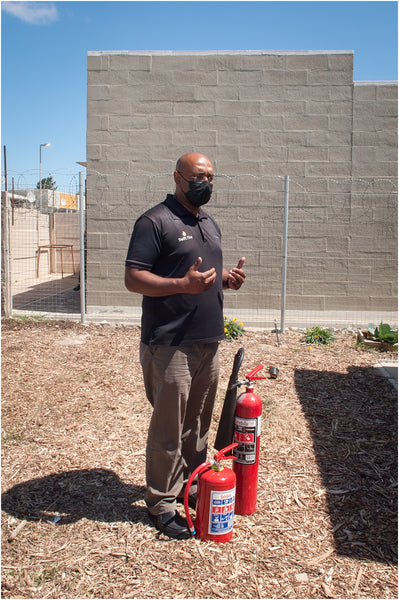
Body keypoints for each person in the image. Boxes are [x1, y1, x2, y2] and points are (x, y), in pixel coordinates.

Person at [125, 152, 246, 539]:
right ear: (178, 177)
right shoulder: (154, 221)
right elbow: (134, 278)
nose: (205, 183)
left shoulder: (208, 223)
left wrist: (226, 279)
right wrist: (180, 285)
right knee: (169, 428)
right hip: (170, 343)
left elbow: (200, 273)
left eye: (211, 176)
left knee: (197, 426)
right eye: (198, 176)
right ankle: (161, 503)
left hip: (207, 342)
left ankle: (192, 485)